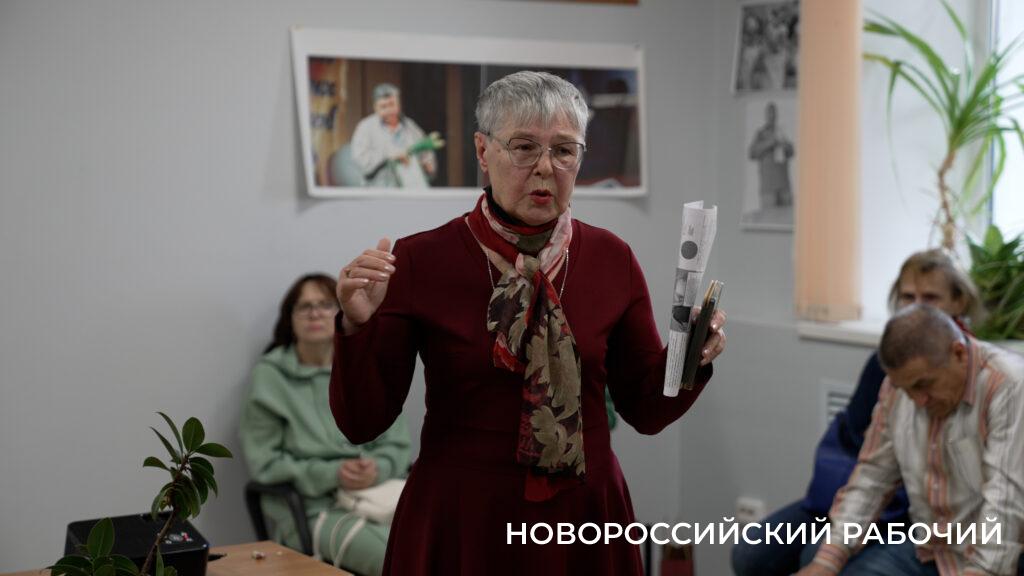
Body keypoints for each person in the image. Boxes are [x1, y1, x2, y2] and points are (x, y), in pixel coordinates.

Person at [330, 71, 727, 576]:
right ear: (483, 151)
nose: (545, 168)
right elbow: (362, 422)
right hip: (462, 513)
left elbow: (646, 410)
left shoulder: (611, 258)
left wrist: (693, 355)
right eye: (523, 148)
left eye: (564, 151)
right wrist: (357, 326)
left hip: (582, 515)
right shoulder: (420, 260)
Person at [732, 248, 983, 576]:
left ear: (958, 302)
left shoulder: (974, 370)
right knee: (751, 553)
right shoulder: (884, 363)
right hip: (855, 491)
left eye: (931, 297)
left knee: (815, 555)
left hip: (914, 509)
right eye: (908, 296)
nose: (917, 306)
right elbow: (857, 442)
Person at [797, 304, 1024, 576]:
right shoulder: (898, 388)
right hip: (933, 550)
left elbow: (1005, 502)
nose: (918, 400)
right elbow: (872, 478)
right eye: (906, 390)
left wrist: (980, 571)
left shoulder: (1009, 384)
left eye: (923, 385)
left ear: (959, 354)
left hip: (1001, 557)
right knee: (824, 561)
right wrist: (826, 562)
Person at [239, 273, 411, 576]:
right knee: (402, 559)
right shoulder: (270, 377)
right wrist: (333, 474)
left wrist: (378, 467)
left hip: (379, 495)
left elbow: (398, 443)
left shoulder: (363, 367)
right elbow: (265, 464)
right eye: (305, 306)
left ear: (342, 311)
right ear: (290, 318)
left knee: (444, 543)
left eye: (325, 304)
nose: (315, 313)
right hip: (313, 510)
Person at [350, 83, 437, 188]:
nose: (389, 110)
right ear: (375, 108)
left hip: (410, 188)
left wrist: (427, 164)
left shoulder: (410, 126)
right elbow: (360, 161)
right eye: (383, 106)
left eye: (392, 104)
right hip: (379, 189)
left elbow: (425, 152)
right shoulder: (365, 127)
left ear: (398, 104)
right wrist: (389, 154)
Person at [748, 101, 794, 213]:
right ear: (766, 115)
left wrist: (784, 144)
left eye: (774, 113)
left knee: (787, 218)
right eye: (770, 113)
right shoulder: (760, 134)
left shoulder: (781, 131)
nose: (772, 116)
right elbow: (752, 153)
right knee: (769, 218)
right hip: (769, 188)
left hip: (784, 187)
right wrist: (770, 142)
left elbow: (792, 151)